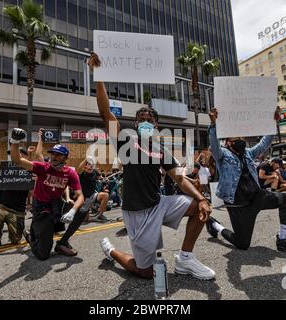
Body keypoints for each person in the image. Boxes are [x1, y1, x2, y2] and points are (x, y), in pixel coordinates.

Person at [88, 53, 215, 280]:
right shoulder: (125, 139)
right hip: (137, 212)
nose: (145, 121)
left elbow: (179, 178)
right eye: (141, 119)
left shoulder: (161, 150)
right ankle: (110, 250)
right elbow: (105, 113)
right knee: (145, 271)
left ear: (156, 125)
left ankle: (185, 259)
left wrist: (203, 198)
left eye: (150, 119)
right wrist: (99, 77)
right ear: (136, 124)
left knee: (198, 207)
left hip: (159, 204)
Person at [206, 108, 286, 258]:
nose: (240, 141)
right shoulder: (222, 154)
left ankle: (285, 239)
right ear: (228, 142)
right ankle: (214, 225)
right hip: (237, 204)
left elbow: (264, 143)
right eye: (236, 139)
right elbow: (214, 145)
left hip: (257, 198)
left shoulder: (248, 153)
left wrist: (273, 122)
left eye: (241, 138)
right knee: (242, 243)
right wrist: (213, 124)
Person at [9, 130, 85, 260]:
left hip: (57, 204)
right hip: (41, 207)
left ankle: (62, 243)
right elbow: (17, 160)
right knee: (43, 254)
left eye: (58, 155)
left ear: (65, 158)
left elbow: (80, 195)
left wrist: (72, 211)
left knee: (82, 211)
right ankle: (31, 237)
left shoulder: (70, 173)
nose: (54, 157)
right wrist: (15, 141)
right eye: (52, 154)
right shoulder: (43, 168)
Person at [77, 157, 109, 222]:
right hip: (84, 198)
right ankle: (85, 214)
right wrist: (86, 159)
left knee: (105, 195)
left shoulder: (94, 172)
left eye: (92, 164)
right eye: (89, 164)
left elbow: (101, 178)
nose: (91, 165)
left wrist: (105, 179)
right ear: (85, 166)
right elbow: (79, 168)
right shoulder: (82, 173)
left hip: (93, 195)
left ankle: (100, 215)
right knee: (85, 219)